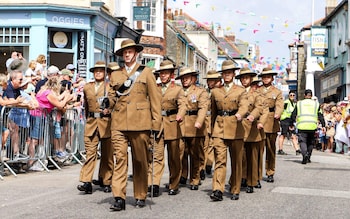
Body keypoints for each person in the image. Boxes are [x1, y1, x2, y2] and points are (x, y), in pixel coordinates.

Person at [108, 39, 161, 211]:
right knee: (120, 159)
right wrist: (106, 103)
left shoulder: (146, 73)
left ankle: (140, 194)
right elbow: (111, 97)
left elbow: (155, 100)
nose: (127, 54)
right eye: (124, 52)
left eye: (130, 51)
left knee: (140, 160)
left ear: (136, 53)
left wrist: (156, 124)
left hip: (140, 123)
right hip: (119, 123)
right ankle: (119, 197)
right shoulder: (116, 75)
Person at [210, 60, 248, 201]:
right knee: (219, 160)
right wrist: (211, 130)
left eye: (229, 73)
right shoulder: (215, 91)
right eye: (224, 73)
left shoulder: (240, 91)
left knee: (236, 161)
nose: (227, 75)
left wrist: (240, 114)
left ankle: (235, 189)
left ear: (233, 74)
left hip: (236, 128)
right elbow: (213, 112)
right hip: (219, 129)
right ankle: (218, 190)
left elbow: (244, 106)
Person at [147, 60, 186, 196]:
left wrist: (180, 115)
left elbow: (183, 105)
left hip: (173, 124)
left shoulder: (177, 89)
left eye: (166, 73)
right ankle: (154, 184)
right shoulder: (155, 88)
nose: (163, 75)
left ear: (171, 74)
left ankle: (173, 184)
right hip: (157, 125)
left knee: (174, 158)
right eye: (161, 73)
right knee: (156, 156)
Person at [77, 61, 114, 194]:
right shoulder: (88, 87)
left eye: (100, 70)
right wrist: (88, 118)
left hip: (106, 123)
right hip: (92, 122)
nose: (98, 72)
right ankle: (86, 181)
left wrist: (110, 111)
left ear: (105, 73)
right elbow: (86, 105)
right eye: (95, 70)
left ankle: (107, 180)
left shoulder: (110, 87)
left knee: (107, 154)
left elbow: (115, 104)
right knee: (90, 153)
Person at [176, 67, 208, 191]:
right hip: (181, 125)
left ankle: (195, 178)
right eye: (183, 78)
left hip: (195, 125)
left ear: (193, 79)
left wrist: (199, 122)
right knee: (181, 152)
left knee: (195, 154)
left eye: (187, 78)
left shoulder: (201, 92)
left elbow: (203, 108)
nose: (184, 80)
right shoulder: (178, 91)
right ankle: (183, 174)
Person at [236, 68, 263, 194]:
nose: (244, 80)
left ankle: (251, 181)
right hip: (239, 126)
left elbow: (259, 107)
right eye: (242, 78)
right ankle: (241, 178)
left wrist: (253, 115)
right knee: (240, 156)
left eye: (246, 78)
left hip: (251, 126)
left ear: (251, 79)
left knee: (251, 156)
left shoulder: (256, 94)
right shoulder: (236, 92)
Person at [258, 67, 283, 183]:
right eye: (264, 77)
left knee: (271, 149)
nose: (266, 79)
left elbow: (279, 105)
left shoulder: (277, 92)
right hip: (259, 121)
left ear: (272, 78)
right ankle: (256, 174)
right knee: (258, 150)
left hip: (272, 121)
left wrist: (278, 114)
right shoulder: (257, 91)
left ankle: (270, 171)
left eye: (268, 77)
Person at [291, 89, 325, 164]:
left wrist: (291, 124)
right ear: (311, 96)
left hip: (302, 126)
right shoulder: (316, 104)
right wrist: (323, 125)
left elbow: (293, 114)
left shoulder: (299, 103)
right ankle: (308, 156)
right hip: (312, 126)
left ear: (304, 95)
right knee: (310, 142)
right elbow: (320, 115)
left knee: (302, 142)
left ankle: (304, 155)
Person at [202, 70, 222, 177]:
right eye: (208, 80)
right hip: (205, 120)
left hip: (215, 120)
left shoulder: (219, 93)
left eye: (212, 80)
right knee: (204, 144)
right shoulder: (204, 92)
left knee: (213, 144)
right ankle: (204, 165)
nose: (210, 82)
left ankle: (209, 163)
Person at [278, 90, 301, 155]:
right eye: (291, 95)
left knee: (293, 135)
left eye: (293, 95)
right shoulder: (286, 102)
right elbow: (281, 110)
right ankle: (280, 149)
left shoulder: (294, 104)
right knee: (283, 134)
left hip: (290, 121)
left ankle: (297, 150)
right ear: (288, 96)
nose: (292, 96)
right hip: (285, 120)